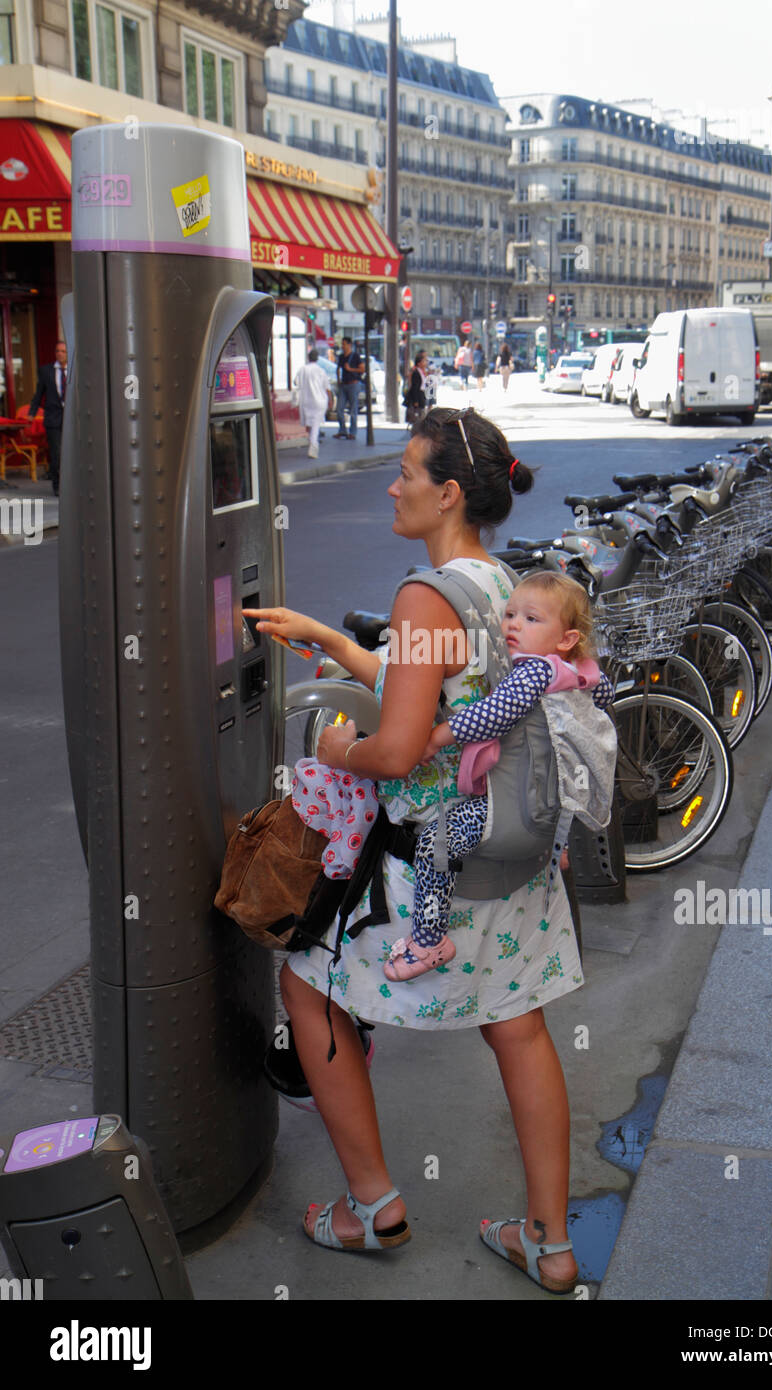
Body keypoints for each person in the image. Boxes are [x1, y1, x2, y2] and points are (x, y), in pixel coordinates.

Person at [246, 406, 589, 1295]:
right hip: (513, 860)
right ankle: (550, 1245)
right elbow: (425, 687)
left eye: (406, 472)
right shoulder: (492, 581)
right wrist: (331, 643)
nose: (392, 484)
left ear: (445, 494)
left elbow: (397, 749)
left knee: (305, 986)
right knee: (519, 1030)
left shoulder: (423, 593)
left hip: (431, 870)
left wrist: (335, 752)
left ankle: (373, 1207)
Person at [382, 569, 607, 981]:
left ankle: (429, 941)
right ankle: (559, 849)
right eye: (510, 615)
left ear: (566, 639)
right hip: (547, 802)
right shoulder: (584, 672)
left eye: (531, 619)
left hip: (509, 806)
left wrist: (436, 738)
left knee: (436, 844)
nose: (513, 625)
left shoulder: (534, 672)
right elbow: (601, 700)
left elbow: (494, 714)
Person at [29, 339, 66, 495]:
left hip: (72, 419)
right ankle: (58, 486)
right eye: (57, 351)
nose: (60, 354)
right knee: (56, 453)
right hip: (53, 418)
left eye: (63, 351)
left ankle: (73, 484)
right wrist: (32, 412)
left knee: (73, 452)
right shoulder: (46, 371)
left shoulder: (75, 370)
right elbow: (39, 394)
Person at [294, 348, 333, 458]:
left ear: (308, 358)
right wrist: (330, 401)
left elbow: (295, 382)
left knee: (310, 424)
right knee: (315, 424)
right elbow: (327, 388)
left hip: (306, 400)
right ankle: (313, 445)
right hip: (319, 401)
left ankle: (312, 442)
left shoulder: (302, 369)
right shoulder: (321, 371)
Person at [335, 336, 363, 439]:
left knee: (353, 410)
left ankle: (352, 432)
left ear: (349, 345)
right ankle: (342, 430)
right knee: (339, 409)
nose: (342, 346)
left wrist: (350, 369)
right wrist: (338, 380)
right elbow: (338, 368)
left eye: (344, 344)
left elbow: (362, 369)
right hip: (343, 384)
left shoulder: (355, 356)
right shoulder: (341, 357)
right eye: (342, 344)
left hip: (353, 384)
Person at [403, 349, 429, 426]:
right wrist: (415, 401)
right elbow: (415, 387)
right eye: (424, 361)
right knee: (419, 415)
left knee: (422, 413)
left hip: (422, 394)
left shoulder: (422, 371)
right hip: (418, 395)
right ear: (419, 363)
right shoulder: (416, 372)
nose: (425, 363)